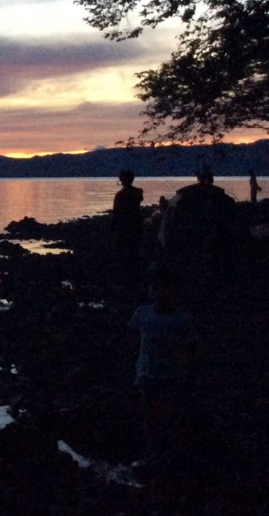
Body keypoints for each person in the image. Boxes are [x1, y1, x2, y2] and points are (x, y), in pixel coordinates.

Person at [128, 263, 193, 465]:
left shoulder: (181, 319)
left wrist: (187, 369)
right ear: (150, 290)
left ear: (177, 291)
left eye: (167, 287)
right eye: (156, 287)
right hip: (146, 373)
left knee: (170, 413)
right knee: (149, 414)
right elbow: (131, 338)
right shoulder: (142, 313)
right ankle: (153, 451)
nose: (161, 292)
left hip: (173, 375)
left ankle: (169, 450)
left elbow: (192, 345)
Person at [112, 169, 144, 271]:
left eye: (120, 178)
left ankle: (125, 269)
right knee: (134, 246)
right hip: (136, 223)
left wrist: (113, 224)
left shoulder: (120, 194)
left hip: (124, 224)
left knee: (122, 247)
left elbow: (116, 211)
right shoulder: (138, 192)